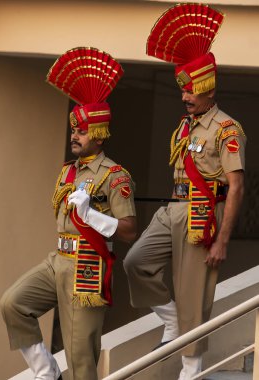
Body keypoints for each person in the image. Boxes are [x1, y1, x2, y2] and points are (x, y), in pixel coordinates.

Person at [123, 3, 246, 379]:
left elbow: (237, 187)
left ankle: (190, 371)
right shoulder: (183, 127)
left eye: (191, 91)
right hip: (172, 208)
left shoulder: (227, 129)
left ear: (208, 88)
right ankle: (171, 320)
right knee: (135, 262)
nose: (184, 97)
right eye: (183, 90)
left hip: (202, 216)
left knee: (195, 297)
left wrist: (223, 240)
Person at [0, 47, 137, 380]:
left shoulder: (115, 176)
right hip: (58, 259)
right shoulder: (68, 172)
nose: (74, 136)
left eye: (81, 131)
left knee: (80, 359)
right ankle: (46, 372)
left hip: (87, 267)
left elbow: (130, 230)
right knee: (13, 303)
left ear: (99, 133)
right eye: (73, 130)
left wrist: (93, 216)